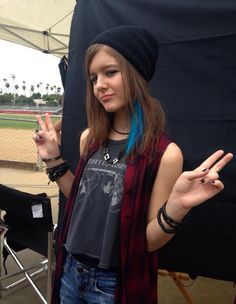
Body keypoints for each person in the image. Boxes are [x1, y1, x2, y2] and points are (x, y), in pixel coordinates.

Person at [33, 25, 233, 304]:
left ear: (137, 74)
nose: (99, 84)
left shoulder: (166, 154)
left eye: (110, 72)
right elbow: (81, 201)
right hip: (69, 272)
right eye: (93, 77)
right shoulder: (89, 138)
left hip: (112, 285)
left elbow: (148, 242)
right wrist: (53, 158)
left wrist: (177, 207)